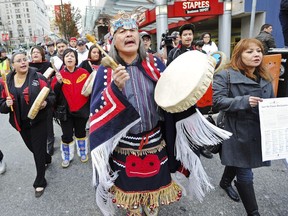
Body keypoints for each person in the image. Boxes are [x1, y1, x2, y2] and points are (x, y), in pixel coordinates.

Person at [89, 11, 228, 216]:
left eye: (132, 30)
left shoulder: (154, 63)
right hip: (124, 144)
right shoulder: (106, 71)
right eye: (122, 31)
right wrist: (115, 89)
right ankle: (133, 206)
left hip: (155, 138)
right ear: (112, 40)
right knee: (130, 190)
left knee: (154, 187)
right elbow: (97, 109)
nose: (129, 34)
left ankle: (151, 204)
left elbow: (174, 95)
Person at [213, 38, 274, 215]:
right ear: (239, 55)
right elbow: (217, 102)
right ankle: (253, 213)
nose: (256, 54)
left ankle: (225, 182)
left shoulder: (265, 75)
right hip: (235, 129)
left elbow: (270, 100)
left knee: (238, 160)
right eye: (250, 51)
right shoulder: (225, 75)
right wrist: (243, 101)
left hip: (257, 129)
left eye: (259, 51)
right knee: (246, 172)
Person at [0, 51, 55, 197]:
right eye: (19, 60)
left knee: (37, 151)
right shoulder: (7, 82)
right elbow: (2, 107)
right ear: (13, 65)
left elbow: (52, 96)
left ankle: (40, 182)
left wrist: (45, 102)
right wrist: (6, 104)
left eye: (25, 59)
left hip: (38, 121)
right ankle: (47, 158)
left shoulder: (38, 77)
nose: (23, 62)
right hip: (20, 123)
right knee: (34, 148)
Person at [51, 48, 90, 168]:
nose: (69, 58)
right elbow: (53, 94)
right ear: (63, 59)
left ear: (76, 59)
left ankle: (82, 152)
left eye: (72, 56)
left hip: (82, 109)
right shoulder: (59, 75)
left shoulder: (84, 73)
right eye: (67, 56)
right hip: (65, 111)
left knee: (81, 132)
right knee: (67, 135)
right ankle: (67, 156)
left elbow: (90, 89)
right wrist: (58, 83)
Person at [29, 46, 55, 155]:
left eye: (37, 52)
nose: (35, 54)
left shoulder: (48, 64)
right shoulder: (28, 66)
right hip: (32, 96)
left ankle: (50, 141)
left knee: (48, 121)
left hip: (45, 94)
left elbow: (53, 79)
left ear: (42, 55)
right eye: (33, 52)